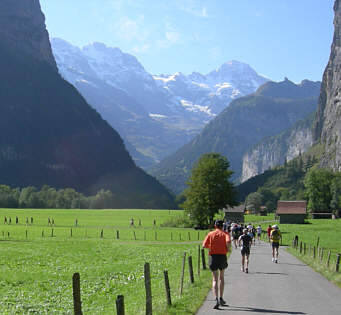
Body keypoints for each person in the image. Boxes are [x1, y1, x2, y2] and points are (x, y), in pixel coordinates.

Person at [203, 219, 231, 309]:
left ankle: (216, 299)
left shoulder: (210, 234)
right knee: (221, 277)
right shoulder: (225, 234)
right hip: (222, 256)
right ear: (222, 226)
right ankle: (221, 298)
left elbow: (204, 245)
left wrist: (211, 247)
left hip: (213, 256)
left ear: (215, 226)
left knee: (214, 279)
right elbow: (228, 242)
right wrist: (228, 249)